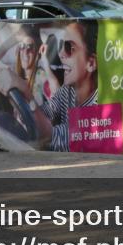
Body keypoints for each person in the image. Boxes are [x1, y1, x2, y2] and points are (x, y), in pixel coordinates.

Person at [33, 21, 98, 152]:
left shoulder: (98, 105)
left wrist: (26, 96)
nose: (61, 53)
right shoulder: (67, 90)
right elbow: (48, 110)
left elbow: (52, 136)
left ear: (90, 63)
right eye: (61, 45)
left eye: (69, 47)